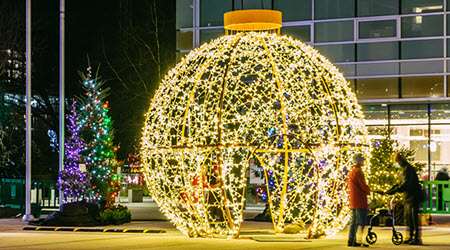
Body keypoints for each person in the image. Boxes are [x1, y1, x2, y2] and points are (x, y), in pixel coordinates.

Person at [383, 153, 423, 245]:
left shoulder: (407, 169)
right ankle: (410, 237)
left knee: (413, 219)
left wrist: (395, 190)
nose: (397, 163)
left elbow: (405, 184)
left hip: (413, 197)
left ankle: (416, 238)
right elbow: (400, 183)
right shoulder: (405, 169)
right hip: (409, 197)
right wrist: (391, 190)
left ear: (400, 160)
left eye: (397, 161)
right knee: (409, 218)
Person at [347, 153, 371, 247]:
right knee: (361, 221)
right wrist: (368, 190)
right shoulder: (358, 171)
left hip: (353, 200)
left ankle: (351, 240)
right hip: (359, 199)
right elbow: (362, 185)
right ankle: (357, 240)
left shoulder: (352, 171)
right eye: (362, 160)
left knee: (354, 221)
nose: (363, 161)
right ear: (358, 161)